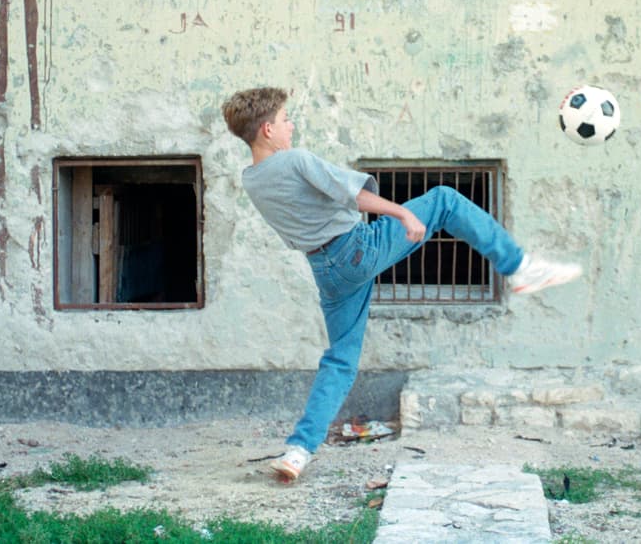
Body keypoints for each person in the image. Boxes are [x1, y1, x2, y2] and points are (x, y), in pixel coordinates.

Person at [221, 86, 582, 482]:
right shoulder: (296, 160)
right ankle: (519, 266)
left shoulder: (252, 180)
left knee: (340, 360)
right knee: (444, 199)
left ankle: (299, 451)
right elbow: (354, 196)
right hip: (355, 249)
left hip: (325, 269)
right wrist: (403, 215)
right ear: (268, 129)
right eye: (286, 119)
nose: (292, 125)